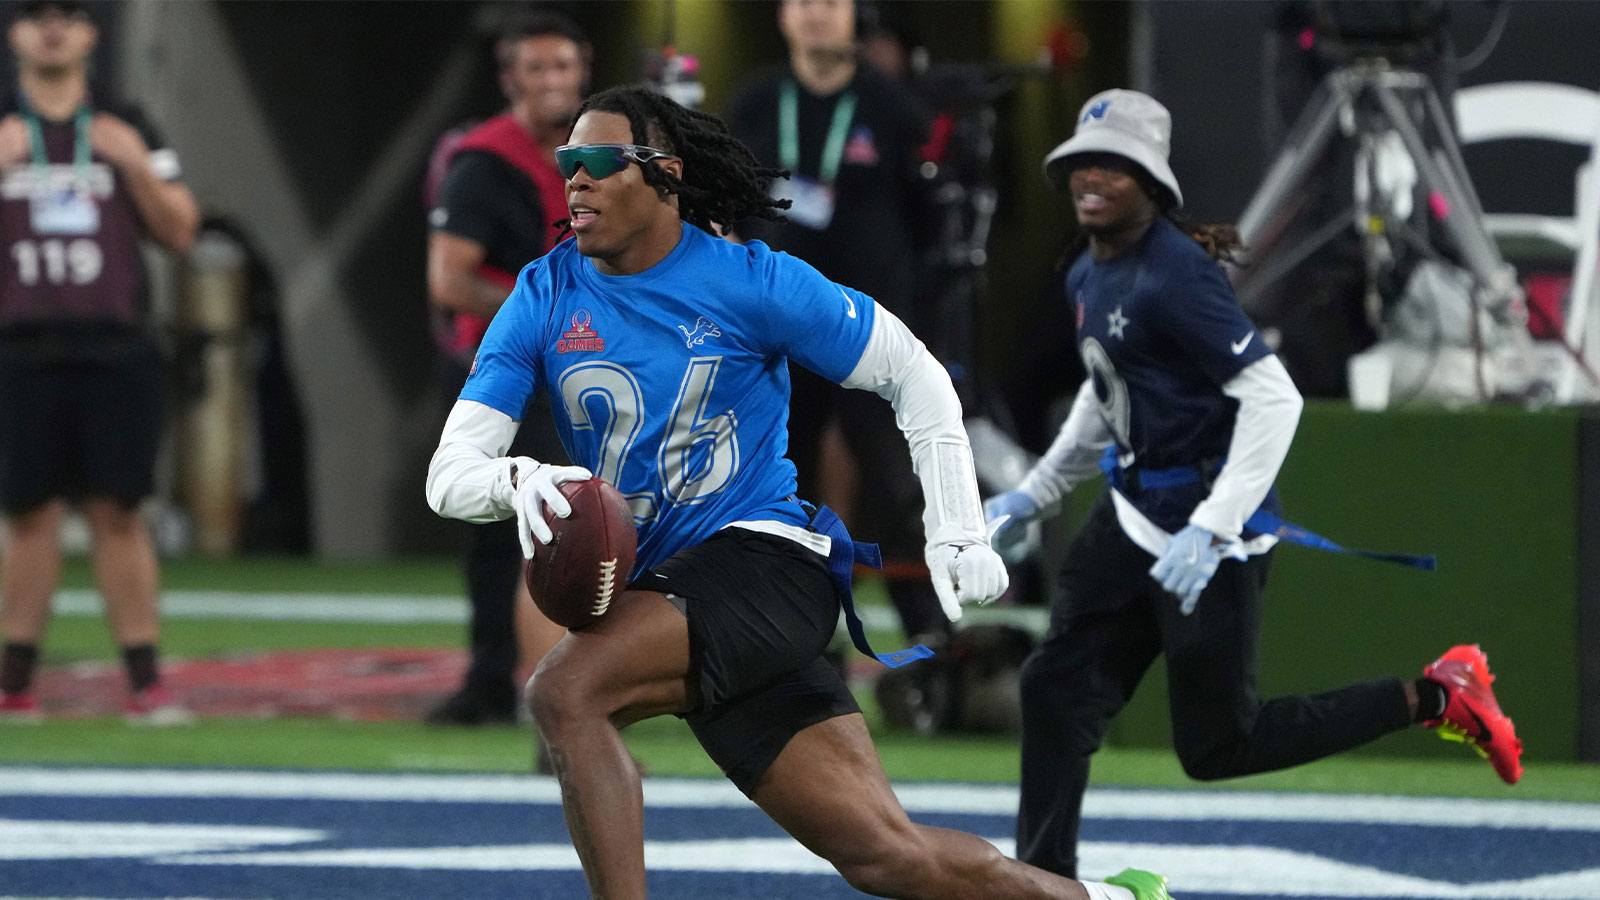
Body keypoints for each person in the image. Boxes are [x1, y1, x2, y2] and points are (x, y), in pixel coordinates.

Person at [425, 85, 1174, 900]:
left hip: (763, 565)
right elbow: (449, 474)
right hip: (677, 595)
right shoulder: (543, 293)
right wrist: (516, 477)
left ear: (665, 174)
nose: (577, 181)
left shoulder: (751, 280)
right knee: (889, 857)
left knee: (565, 693)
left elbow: (915, 374)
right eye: (569, 162)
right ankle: (1113, 898)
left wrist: (957, 529)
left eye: (601, 162)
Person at [982, 88, 1524, 879]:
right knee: (1054, 691)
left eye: (1115, 165)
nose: (1092, 177)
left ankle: (1438, 695)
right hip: (1131, 514)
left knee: (1218, 747)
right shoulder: (1085, 273)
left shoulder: (1177, 275)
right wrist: (1035, 492)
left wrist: (1214, 523)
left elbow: (1275, 396)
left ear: (1154, 184)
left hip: (1208, 532)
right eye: (1081, 162)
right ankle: (1046, 885)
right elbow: (1107, 394)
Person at [726, 0, 952, 646]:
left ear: (860, 18)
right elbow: (730, 212)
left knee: (897, 485)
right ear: (781, 17)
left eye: (832, 2)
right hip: (778, 336)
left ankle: (933, 642)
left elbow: (930, 223)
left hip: (870, 333)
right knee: (776, 483)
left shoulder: (896, 109)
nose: (817, 14)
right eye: (803, 2)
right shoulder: (756, 104)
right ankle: (782, 635)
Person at [0, 0, 198, 723]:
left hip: (116, 345)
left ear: (90, 33)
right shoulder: (4, 127)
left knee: (120, 510)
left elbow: (181, 229)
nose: (52, 27)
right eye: (35, 14)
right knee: (27, 512)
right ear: (15, 32)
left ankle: (145, 679)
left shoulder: (127, 122)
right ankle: (14, 676)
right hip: (21, 345)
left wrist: (134, 166)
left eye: (68, 14)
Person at [423, 9, 589, 728]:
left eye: (562, 66)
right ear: (509, 79)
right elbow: (450, 279)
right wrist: (543, 317)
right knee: (520, 531)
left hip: (575, 371)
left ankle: (533, 690)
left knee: (554, 530)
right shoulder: (486, 162)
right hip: (504, 372)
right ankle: (513, 686)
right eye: (536, 68)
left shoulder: (602, 152)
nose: (551, 81)